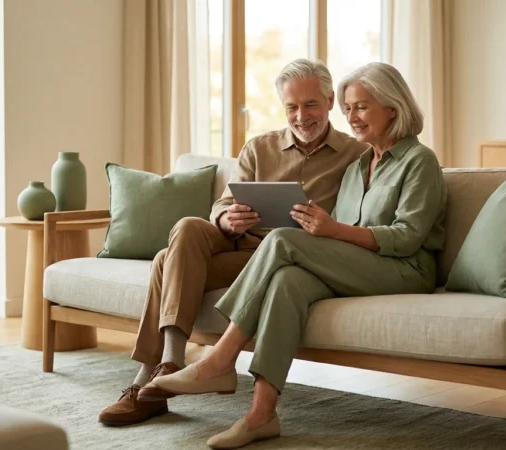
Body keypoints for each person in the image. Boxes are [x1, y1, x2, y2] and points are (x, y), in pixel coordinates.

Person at [144, 62, 448, 449]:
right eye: (349, 108)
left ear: (392, 107)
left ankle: (220, 359)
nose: (352, 117)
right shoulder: (359, 165)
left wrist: (330, 230)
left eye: (362, 107)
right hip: (360, 262)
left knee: (283, 240)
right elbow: (340, 231)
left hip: (407, 268)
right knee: (288, 281)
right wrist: (326, 235)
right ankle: (261, 415)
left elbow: (407, 238)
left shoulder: (419, 161)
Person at [98, 58, 368, 426]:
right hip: (235, 245)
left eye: (310, 105)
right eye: (291, 107)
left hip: (280, 258)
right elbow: (223, 203)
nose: (301, 116)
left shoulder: (357, 155)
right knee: (189, 227)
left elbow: (358, 218)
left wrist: (327, 225)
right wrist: (226, 218)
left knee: (165, 259)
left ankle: (146, 381)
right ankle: (172, 364)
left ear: (329, 103)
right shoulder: (259, 148)